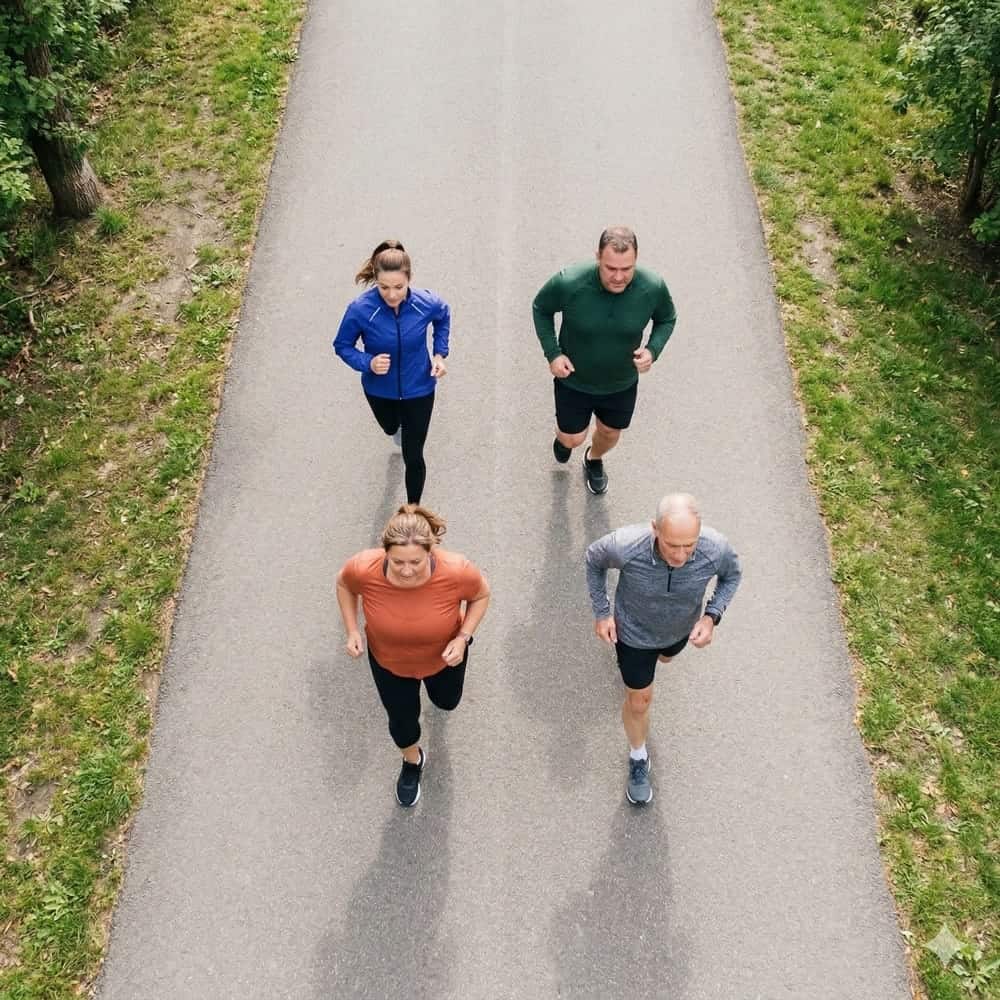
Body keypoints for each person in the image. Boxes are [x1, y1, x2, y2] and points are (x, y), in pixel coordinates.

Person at [585, 493, 742, 805]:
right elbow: (593, 559)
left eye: (689, 545)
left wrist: (711, 616)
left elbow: (732, 575)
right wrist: (602, 613)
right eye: (672, 545)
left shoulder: (715, 549)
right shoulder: (626, 545)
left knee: (666, 659)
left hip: (678, 631)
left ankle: (650, 665)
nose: (681, 555)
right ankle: (638, 757)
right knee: (639, 701)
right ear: (655, 529)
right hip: (633, 635)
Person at [336, 504, 490, 806]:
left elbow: (481, 594)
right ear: (385, 553)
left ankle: (436, 697)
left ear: (431, 552)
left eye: (416, 562)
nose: (407, 570)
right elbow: (344, 584)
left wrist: (463, 638)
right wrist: (352, 630)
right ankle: (412, 760)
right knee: (402, 722)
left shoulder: (457, 570)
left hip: (444, 659)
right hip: (389, 663)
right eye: (398, 562)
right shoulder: (363, 568)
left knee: (447, 702)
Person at [532, 226, 678, 495]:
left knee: (610, 433)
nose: (619, 277)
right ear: (598, 256)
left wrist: (652, 350)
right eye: (611, 268)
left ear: (636, 260)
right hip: (574, 379)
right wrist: (553, 354)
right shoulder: (569, 283)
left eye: (627, 269)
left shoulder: (652, 287)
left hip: (621, 382)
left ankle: (594, 459)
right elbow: (541, 308)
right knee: (572, 438)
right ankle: (565, 441)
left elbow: (667, 318)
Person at [334, 240, 451, 504]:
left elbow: (443, 316)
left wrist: (439, 355)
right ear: (375, 280)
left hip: (419, 388)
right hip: (379, 389)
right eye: (384, 287)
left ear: (409, 279)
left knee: (414, 455)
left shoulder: (424, 303)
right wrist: (368, 362)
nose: (392, 295)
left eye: (399, 287)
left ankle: (413, 512)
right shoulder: (360, 309)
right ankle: (395, 429)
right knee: (390, 427)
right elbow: (342, 345)